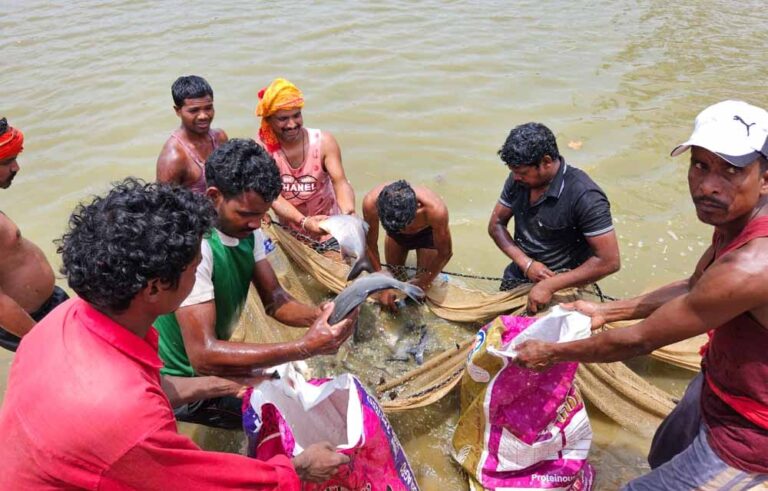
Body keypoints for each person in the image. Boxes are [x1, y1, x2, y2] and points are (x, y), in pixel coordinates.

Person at [0, 178, 349, 489]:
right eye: (195, 266)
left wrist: (224, 383)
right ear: (154, 289)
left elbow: (150, 387)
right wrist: (299, 469)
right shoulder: (130, 422)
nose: (200, 268)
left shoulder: (61, 320)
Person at [515, 100, 768, 490]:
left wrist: (550, 353)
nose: (707, 186)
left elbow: (641, 340)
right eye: (699, 165)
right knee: (662, 455)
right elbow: (694, 286)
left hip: (751, 429)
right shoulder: (736, 217)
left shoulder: (752, 266)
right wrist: (605, 311)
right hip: (719, 378)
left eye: (732, 170)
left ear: (765, 178)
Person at [153, 138, 356, 429]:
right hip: (185, 382)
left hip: (213, 360)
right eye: (247, 214)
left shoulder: (250, 230)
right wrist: (303, 347)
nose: (255, 224)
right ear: (213, 196)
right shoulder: (197, 249)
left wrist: (321, 316)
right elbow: (203, 356)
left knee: (290, 395)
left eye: (261, 215)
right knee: (284, 422)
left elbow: (276, 301)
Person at [488, 122, 620, 313]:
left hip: (566, 288)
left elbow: (609, 261)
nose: (516, 178)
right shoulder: (518, 179)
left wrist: (550, 285)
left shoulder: (585, 195)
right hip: (519, 275)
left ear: (547, 161)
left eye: (522, 172)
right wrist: (527, 264)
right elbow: (496, 225)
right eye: (513, 172)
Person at [255, 78, 355, 247]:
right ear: (269, 119)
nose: (292, 124)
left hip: (328, 226)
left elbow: (340, 182)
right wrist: (304, 222)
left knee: (339, 270)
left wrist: (349, 213)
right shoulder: (261, 150)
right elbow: (273, 197)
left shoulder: (324, 142)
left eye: (296, 115)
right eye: (283, 119)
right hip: (291, 231)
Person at [0, 117, 69, 351]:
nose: (15, 168)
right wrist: (40, 339)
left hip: (49, 305)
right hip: (31, 323)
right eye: (7, 161)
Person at [362, 180, 452, 308]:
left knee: (420, 296)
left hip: (426, 236)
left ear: (417, 207)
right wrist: (381, 284)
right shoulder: (370, 203)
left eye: (408, 226)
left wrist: (423, 282)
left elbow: (445, 253)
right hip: (395, 236)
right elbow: (370, 243)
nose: (405, 231)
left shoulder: (435, 210)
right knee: (394, 279)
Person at [156, 75, 228, 192]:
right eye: (194, 110)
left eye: (208, 108)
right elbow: (164, 207)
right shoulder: (174, 158)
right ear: (178, 111)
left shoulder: (220, 138)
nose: (203, 116)